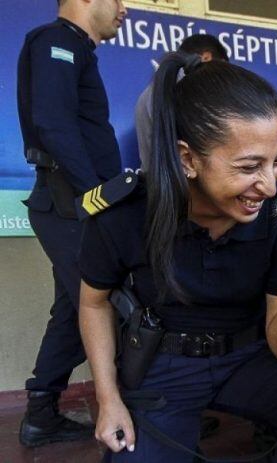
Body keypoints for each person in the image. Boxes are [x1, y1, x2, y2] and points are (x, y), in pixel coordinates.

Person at [78, 53, 277, 461]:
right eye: (250, 166)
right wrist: (107, 398)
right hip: (165, 365)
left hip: (251, 356)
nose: (269, 186)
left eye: (276, 163)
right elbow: (93, 303)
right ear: (187, 159)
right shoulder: (125, 215)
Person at [16, 0, 127, 447]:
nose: (124, 8)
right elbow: (54, 125)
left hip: (72, 203)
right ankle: (144, 407)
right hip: (69, 204)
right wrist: (96, 198)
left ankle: (41, 414)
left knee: (73, 307)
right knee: (112, 301)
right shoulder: (56, 42)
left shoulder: (76, 49)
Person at [134, 33, 229, 169]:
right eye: (222, 71)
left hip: (155, 184)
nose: (223, 81)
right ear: (206, 58)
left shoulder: (147, 94)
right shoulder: (192, 90)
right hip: (185, 184)